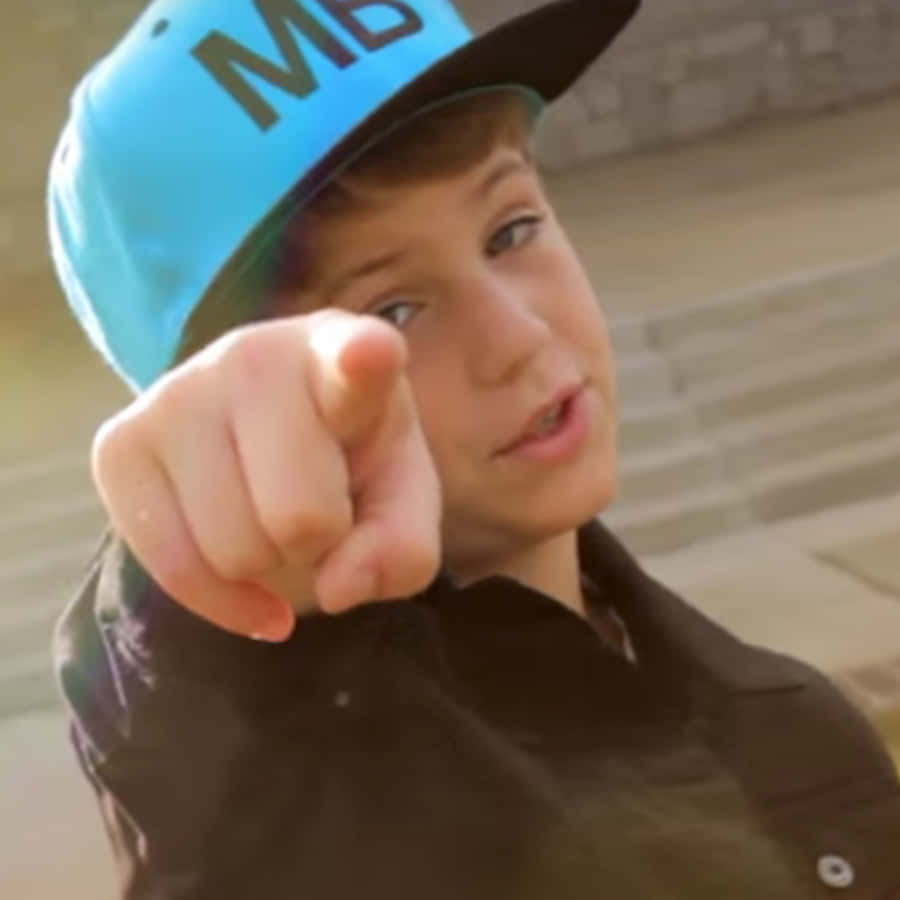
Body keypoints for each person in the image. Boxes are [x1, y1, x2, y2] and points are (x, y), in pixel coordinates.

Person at [47, 1, 900, 897]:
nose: (520, 335)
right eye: (391, 311)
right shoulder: (300, 800)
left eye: (511, 230)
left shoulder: (794, 718)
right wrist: (188, 592)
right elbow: (212, 754)